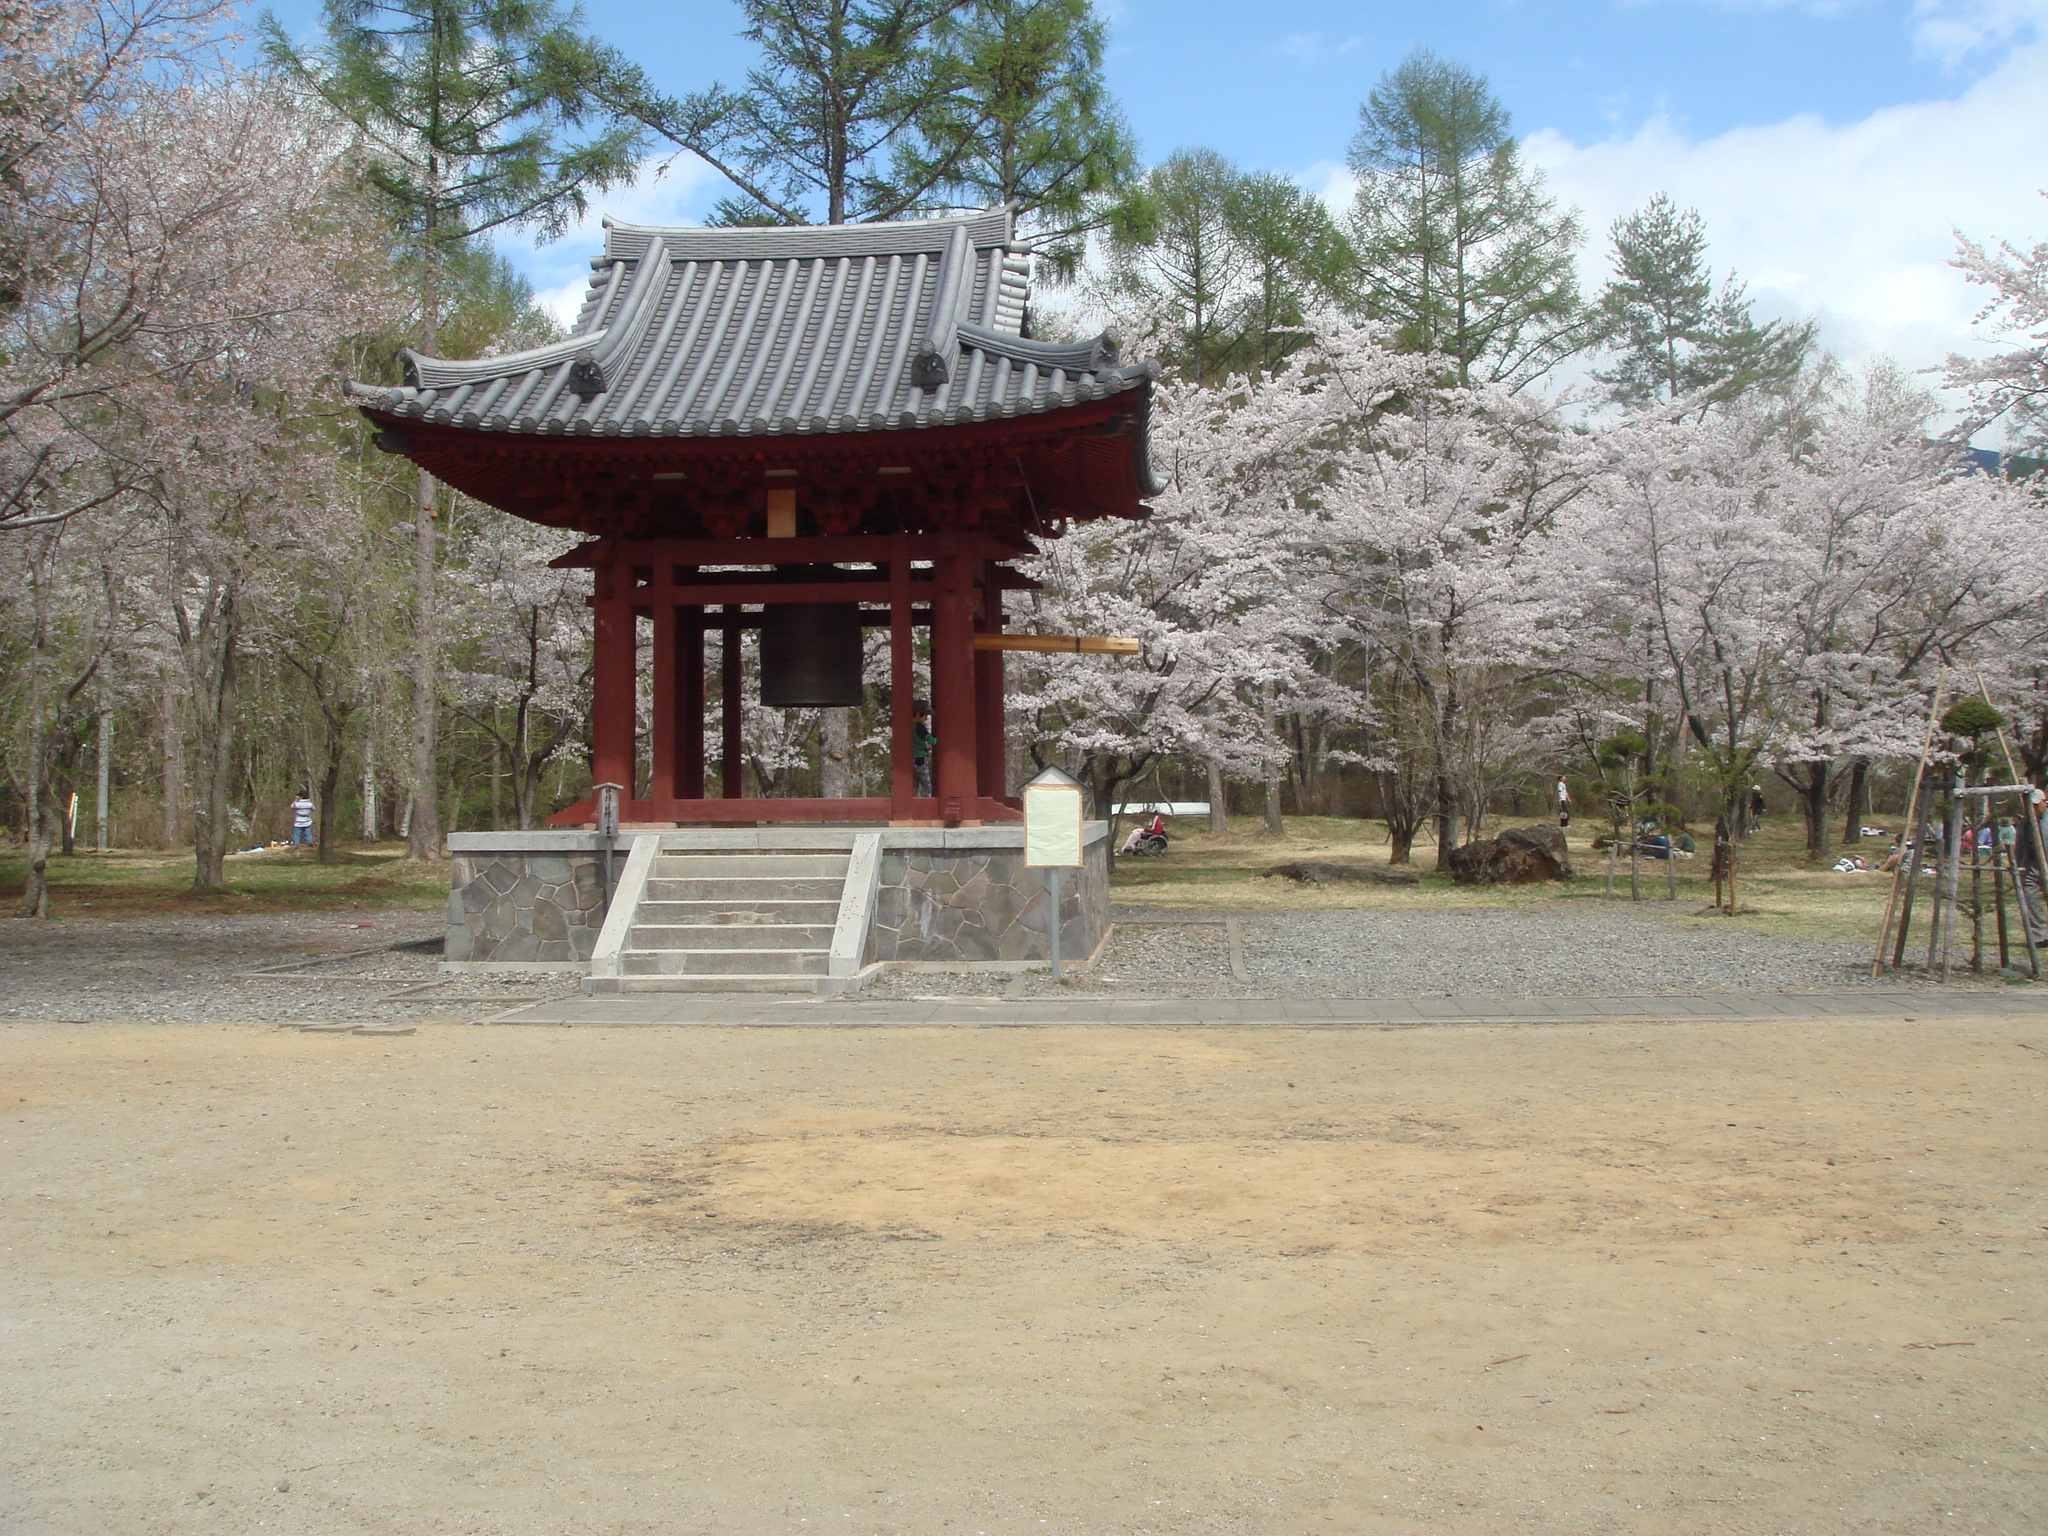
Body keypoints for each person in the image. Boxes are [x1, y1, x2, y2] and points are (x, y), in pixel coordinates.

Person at [910, 700, 935, 798]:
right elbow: (929, 739)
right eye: (925, 716)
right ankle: (927, 802)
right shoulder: (919, 726)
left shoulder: (908, 726)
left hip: (911, 757)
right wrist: (938, 741)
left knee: (913, 785)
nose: (926, 718)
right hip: (920, 758)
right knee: (926, 784)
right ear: (918, 714)